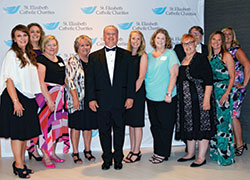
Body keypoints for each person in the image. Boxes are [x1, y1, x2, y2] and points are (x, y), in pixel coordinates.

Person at [86, 25, 136, 170]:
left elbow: (130, 79)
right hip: (101, 101)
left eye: (113, 34)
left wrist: (130, 97)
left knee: (120, 130)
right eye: (108, 34)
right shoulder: (94, 57)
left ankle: (118, 158)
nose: (111, 37)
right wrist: (91, 99)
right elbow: (90, 80)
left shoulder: (126, 55)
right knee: (104, 131)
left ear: (117, 36)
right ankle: (107, 158)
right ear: (103, 36)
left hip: (121, 101)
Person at [0, 24, 41, 178]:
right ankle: (18, 165)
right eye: (19, 36)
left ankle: (21, 163)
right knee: (17, 134)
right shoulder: (12, 54)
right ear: (14, 39)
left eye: (25, 35)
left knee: (24, 134)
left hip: (27, 97)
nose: (23, 38)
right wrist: (16, 101)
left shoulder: (28, 55)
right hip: (15, 97)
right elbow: (9, 80)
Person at [175, 34, 217, 167]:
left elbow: (209, 81)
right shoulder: (182, 59)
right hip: (185, 103)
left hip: (200, 100)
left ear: (195, 44)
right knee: (189, 127)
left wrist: (206, 101)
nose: (188, 46)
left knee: (202, 126)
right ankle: (190, 153)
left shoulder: (201, 59)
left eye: (190, 43)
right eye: (185, 44)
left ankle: (201, 157)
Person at [33, 35, 70, 168]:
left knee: (56, 126)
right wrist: (49, 100)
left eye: (54, 45)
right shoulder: (40, 60)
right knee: (45, 126)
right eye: (49, 45)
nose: (52, 48)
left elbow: (63, 79)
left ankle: (53, 152)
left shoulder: (59, 59)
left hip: (60, 97)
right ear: (44, 46)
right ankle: (46, 156)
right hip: (46, 98)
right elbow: (41, 82)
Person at [145, 28, 179, 164]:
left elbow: (174, 74)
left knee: (166, 126)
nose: (160, 41)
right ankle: (157, 151)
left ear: (167, 41)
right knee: (155, 126)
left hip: (166, 97)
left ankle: (163, 153)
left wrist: (169, 93)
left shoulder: (171, 54)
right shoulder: (148, 55)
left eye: (163, 39)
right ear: (154, 40)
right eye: (158, 38)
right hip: (151, 97)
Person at [65, 35, 97, 164]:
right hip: (77, 99)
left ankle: (87, 150)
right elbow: (69, 80)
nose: (85, 47)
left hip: (90, 100)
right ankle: (75, 152)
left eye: (87, 45)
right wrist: (75, 98)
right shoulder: (73, 60)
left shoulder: (93, 60)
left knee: (88, 127)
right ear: (77, 47)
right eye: (82, 45)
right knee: (76, 127)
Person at [222, 27, 250, 156]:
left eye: (229, 34)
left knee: (234, 116)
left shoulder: (236, 50)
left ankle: (240, 144)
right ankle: (235, 143)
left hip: (236, 88)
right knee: (229, 115)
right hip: (226, 88)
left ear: (233, 36)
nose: (227, 36)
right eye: (224, 34)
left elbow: (247, 64)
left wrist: (244, 83)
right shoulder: (222, 51)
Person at [208, 31, 235, 166]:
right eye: (214, 39)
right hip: (212, 92)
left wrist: (226, 93)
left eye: (219, 40)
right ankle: (215, 154)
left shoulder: (227, 55)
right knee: (215, 123)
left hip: (223, 91)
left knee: (224, 125)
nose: (216, 42)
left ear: (222, 42)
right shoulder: (210, 56)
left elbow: (232, 77)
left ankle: (225, 157)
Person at [124, 30, 148, 163]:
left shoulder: (143, 55)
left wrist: (131, 95)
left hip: (137, 94)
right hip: (129, 94)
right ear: (130, 40)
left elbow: (141, 77)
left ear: (141, 41)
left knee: (137, 124)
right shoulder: (127, 55)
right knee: (131, 124)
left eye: (138, 39)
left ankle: (137, 151)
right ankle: (132, 149)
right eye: (133, 39)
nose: (136, 41)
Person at [26, 22, 45, 161]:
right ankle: (30, 146)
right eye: (32, 32)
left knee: (40, 121)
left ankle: (36, 146)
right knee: (30, 119)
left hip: (42, 90)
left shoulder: (44, 50)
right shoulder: (23, 51)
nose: (35, 34)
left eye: (37, 32)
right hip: (28, 90)